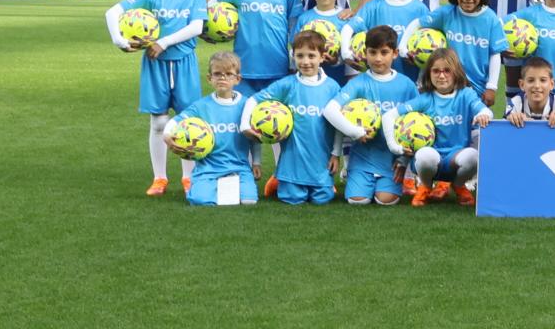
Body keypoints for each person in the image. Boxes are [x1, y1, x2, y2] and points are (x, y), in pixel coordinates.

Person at [106, 0, 209, 197]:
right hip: (155, 65)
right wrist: (119, 39)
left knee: (188, 122)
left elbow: (196, 27)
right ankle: (160, 178)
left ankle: (188, 178)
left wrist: (163, 41)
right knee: (159, 123)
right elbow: (112, 13)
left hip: (184, 63)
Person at [244, 31, 366, 206]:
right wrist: (244, 125)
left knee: (322, 199)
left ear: (322, 57)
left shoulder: (332, 87)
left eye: (311, 56)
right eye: (300, 56)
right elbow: (253, 99)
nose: (306, 61)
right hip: (293, 162)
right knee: (293, 199)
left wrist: (335, 154)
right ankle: (282, 180)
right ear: (293, 57)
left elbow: (339, 124)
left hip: (321, 161)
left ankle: (323, 184)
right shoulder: (287, 85)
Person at [331, 26, 418, 206]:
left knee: (385, 200)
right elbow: (331, 111)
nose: (378, 58)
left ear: (394, 54)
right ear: (365, 53)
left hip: (391, 161)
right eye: (373, 52)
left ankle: (396, 181)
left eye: (384, 52)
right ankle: (354, 174)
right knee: (358, 201)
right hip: (363, 157)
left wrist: (403, 160)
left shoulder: (407, 85)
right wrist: (355, 132)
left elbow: (417, 124)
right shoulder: (358, 83)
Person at [406, 49, 493, 207]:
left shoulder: (466, 94)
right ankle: (425, 185)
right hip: (432, 158)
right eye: (436, 71)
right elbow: (391, 115)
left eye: (447, 70)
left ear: (456, 72)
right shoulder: (424, 99)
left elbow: (485, 110)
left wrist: (484, 115)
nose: (441, 75)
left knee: (473, 156)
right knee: (425, 156)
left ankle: (458, 185)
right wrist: (396, 146)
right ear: (428, 73)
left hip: (455, 158)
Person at [169, 52, 258, 206]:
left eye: (228, 74)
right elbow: (175, 121)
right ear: (209, 78)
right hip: (208, 168)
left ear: (238, 79)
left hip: (239, 167)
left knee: (249, 201)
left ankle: (230, 181)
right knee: (201, 200)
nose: (222, 78)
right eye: (217, 74)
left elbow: (254, 137)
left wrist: (256, 162)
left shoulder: (247, 105)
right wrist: (166, 135)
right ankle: (202, 183)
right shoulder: (201, 106)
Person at [420, 0, 507, 109]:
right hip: (447, 82)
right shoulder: (447, 13)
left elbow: (495, 54)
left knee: (475, 125)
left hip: (477, 87)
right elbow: (418, 23)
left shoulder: (491, 19)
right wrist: (404, 49)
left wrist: (492, 87)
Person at [343, 0, 430, 81]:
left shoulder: (420, 9)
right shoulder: (372, 7)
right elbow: (348, 28)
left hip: (409, 80)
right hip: (375, 80)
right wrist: (345, 53)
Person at [301, 0, 353, 85]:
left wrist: (336, 61)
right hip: (307, 80)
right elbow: (294, 50)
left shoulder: (345, 18)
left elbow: (351, 53)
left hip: (336, 79)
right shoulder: (304, 18)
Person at [504, 57, 555, 128]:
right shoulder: (515, 103)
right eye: (531, 80)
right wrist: (512, 118)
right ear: (522, 85)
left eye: (543, 80)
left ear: (552, 84)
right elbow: (500, 130)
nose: (537, 86)